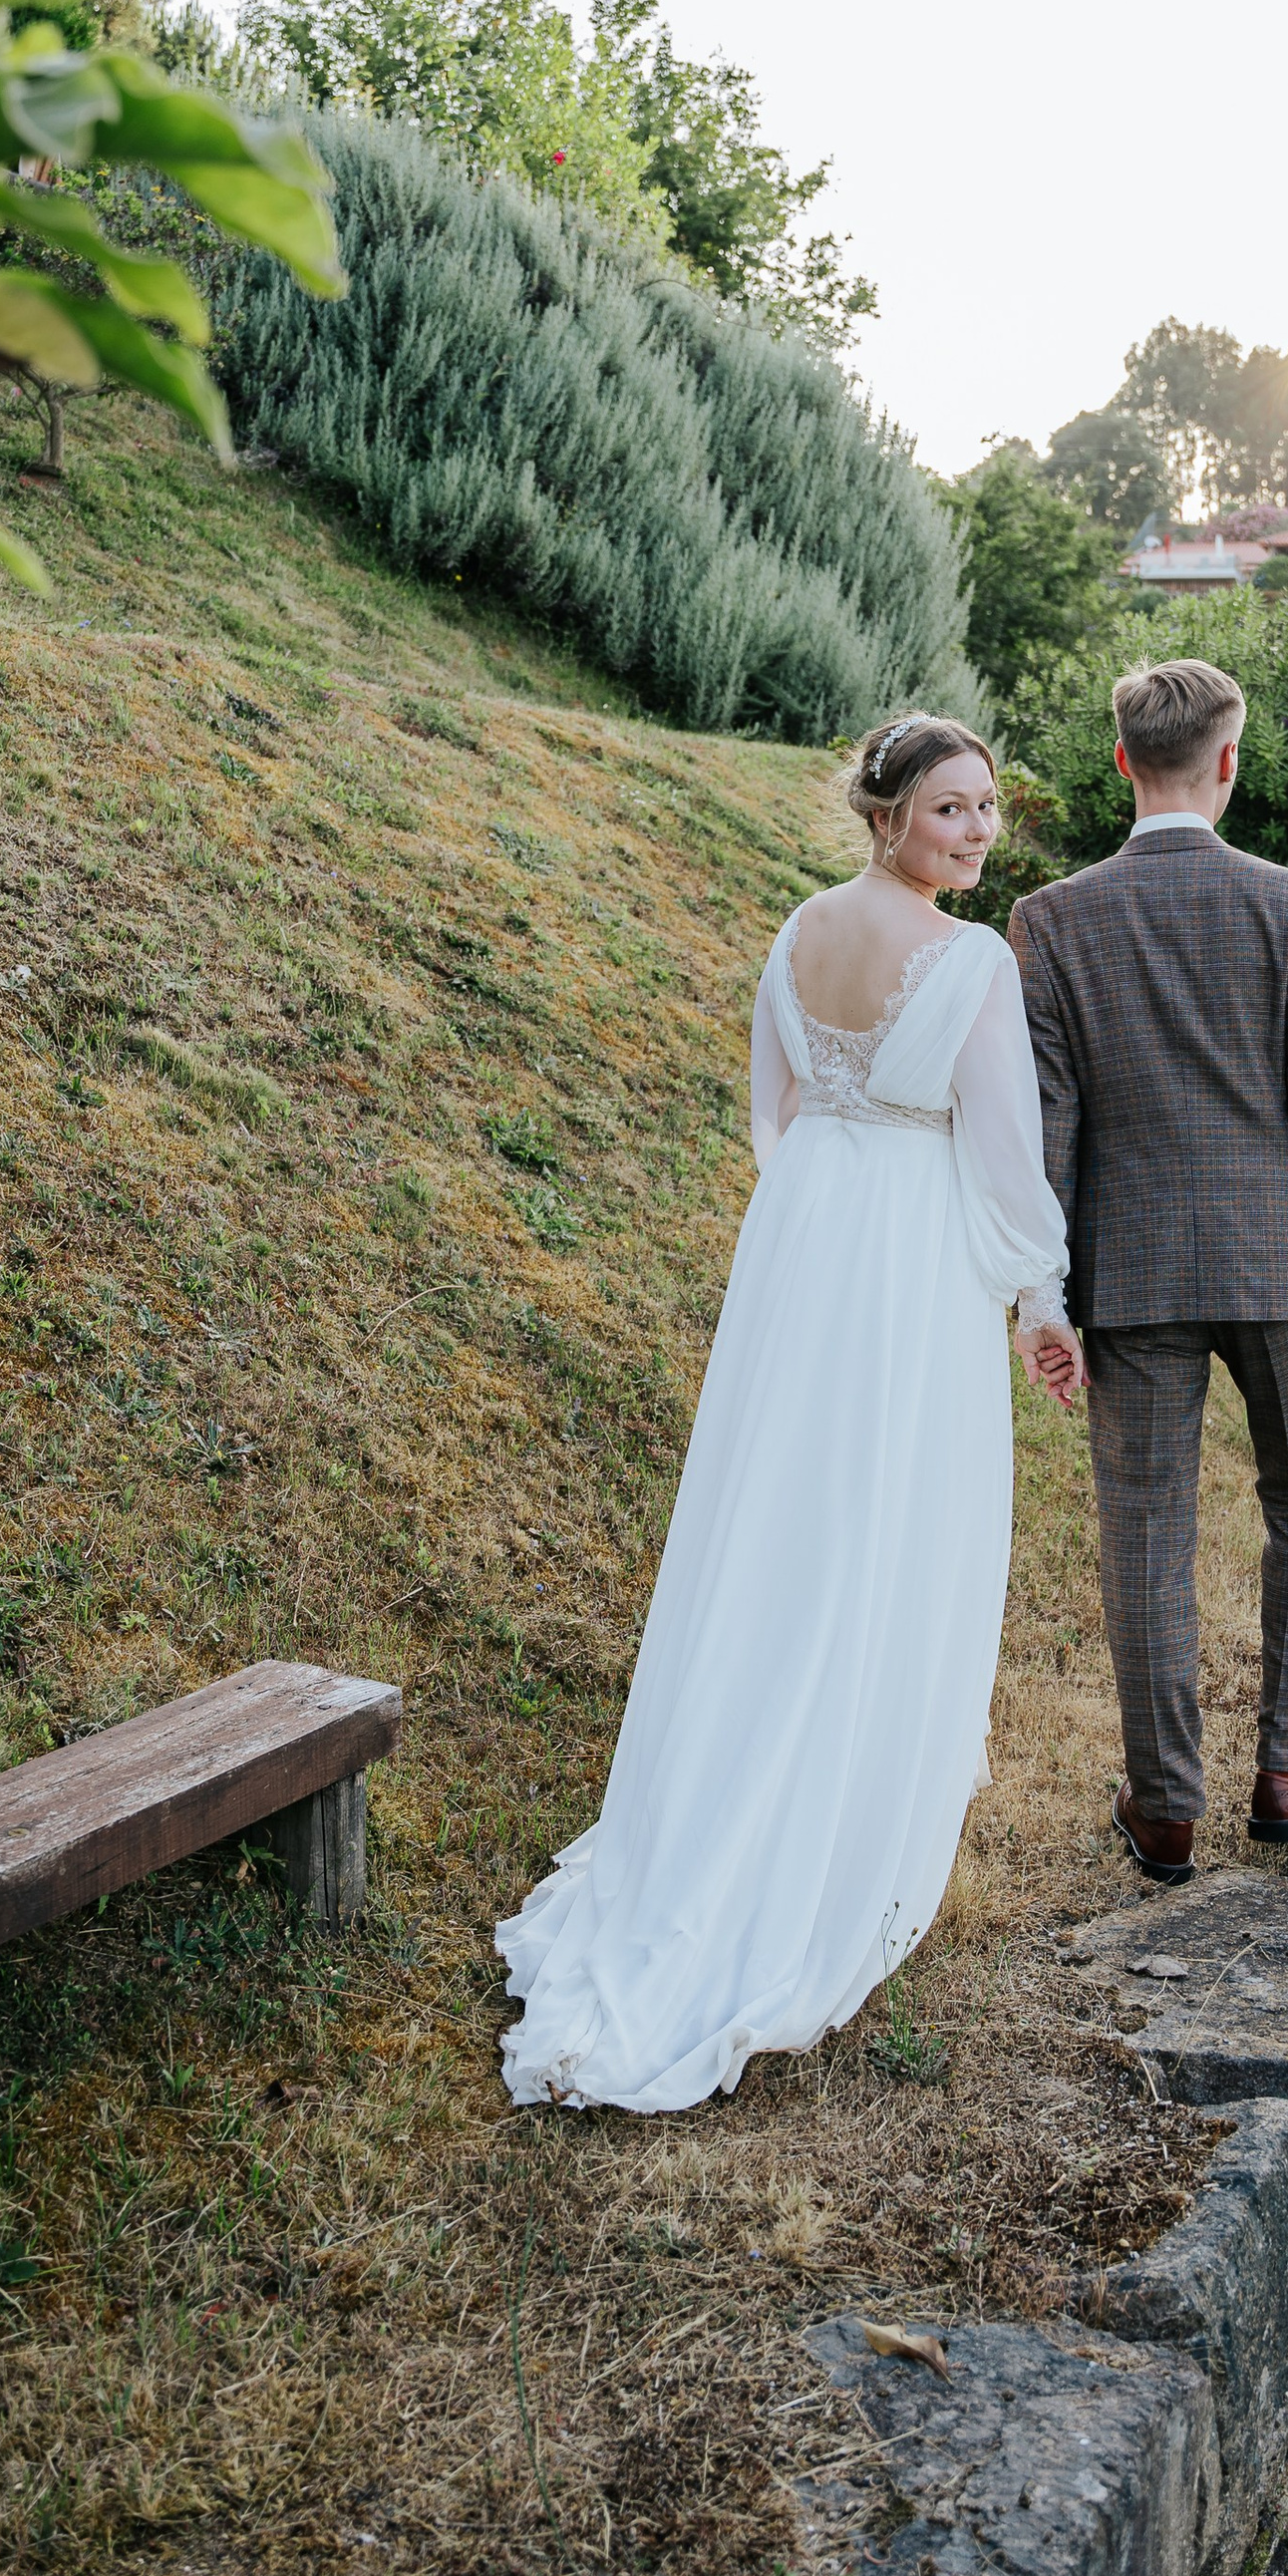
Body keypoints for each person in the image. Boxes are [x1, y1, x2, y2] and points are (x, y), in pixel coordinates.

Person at [497, 715, 1082, 2112]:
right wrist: (1039, 1296)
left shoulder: (795, 933)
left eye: (986, 808)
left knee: (784, 1510)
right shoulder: (972, 963)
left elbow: (777, 1113)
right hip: (908, 1257)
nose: (978, 832)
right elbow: (1005, 1152)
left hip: (808, 1238)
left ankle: (743, 1774)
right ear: (888, 815)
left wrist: (829, 1192)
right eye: (950, 809)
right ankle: (830, 1816)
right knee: (885, 1515)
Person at [1010, 655, 1288, 1878]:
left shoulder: (1050, 919)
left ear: (1120, 762)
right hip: (1282, 1266)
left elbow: (1049, 1125)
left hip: (1129, 1274)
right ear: (1228, 760)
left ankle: (1164, 1805)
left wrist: (1045, 1291)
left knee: (1144, 1527)